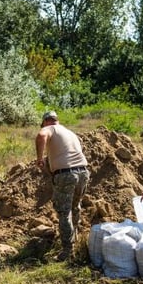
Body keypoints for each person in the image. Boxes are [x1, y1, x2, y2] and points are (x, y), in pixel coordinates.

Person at [35, 110, 90, 262]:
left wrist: (39, 159)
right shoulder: (70, 132)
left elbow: (41, 136)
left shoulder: (50, 128)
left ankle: (67, 250)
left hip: (66, 175)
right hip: (83, 172)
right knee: (75, 206)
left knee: (64, 212)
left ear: (46, 121)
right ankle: (76, 239)